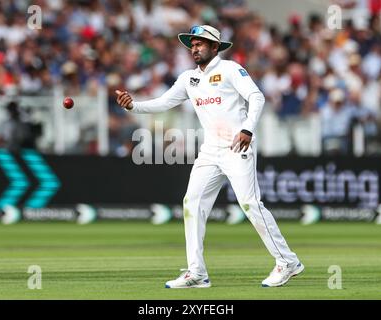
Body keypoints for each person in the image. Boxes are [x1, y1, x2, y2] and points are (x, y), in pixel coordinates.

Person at [115, 25, 304, 288]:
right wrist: (134, 105)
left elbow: (256, 97)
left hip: (237, 145)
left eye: (200, 44)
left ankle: (288, 261)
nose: (195, 48)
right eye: (192, 45)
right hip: (210, 149)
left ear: (215, 47)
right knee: (191, 203)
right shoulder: (188, 78)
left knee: (250, 204)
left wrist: (247, 129)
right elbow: (164, 102)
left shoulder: (229, 69)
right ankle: (197, 272)